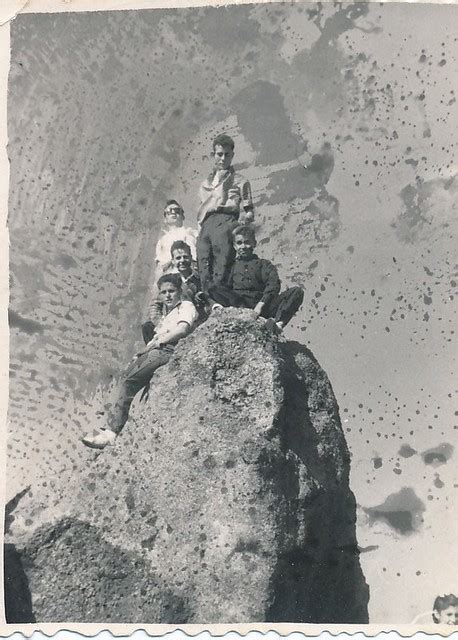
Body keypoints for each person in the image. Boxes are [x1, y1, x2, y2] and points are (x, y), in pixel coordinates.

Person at [82, 273, 198, 450]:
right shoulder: (168, 314)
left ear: (179, 291)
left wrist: (158, 342)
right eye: (164, 292)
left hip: (170, 350)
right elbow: (156, 338)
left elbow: (182, 329)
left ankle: (112, 434)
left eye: (171, 291)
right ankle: (108, 424)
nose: (167, 295)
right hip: (158, 349)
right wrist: (140, 354)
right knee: (124, 375)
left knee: (130, 381)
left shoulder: (186, 306)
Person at [209, 224, 304, 332]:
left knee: (297, 292)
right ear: (235, 246)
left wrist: (260, 306)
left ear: (254, 243)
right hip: (239, 305)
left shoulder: (264, 265)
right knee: (213, 287)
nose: (243, 247)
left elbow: (273, 285)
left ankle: (278, 326)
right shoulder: (231, 267)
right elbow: (222, 288)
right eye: (239, 243)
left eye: (247, 242)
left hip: (262, 307)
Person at [196, 133, 254, 290]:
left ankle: (221, 298)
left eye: (227, 155)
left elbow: (249, 211)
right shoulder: (204, 184)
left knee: (222, 264)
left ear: (232, 156)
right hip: (206, 225)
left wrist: (239, 226)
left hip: (226, 221)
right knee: (203, 263)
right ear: (213, 155)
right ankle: (208, 301)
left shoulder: (240, 181)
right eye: (219, 154)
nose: (223, 159)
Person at [142, 241, 215, 344]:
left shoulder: (199, 279)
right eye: (178, 258)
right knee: (147, 327)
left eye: (185, 257)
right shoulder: (169, 281)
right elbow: (155, 306)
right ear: (172, 260)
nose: (182, 261)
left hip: (191, 320)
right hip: (170, 321)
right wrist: (161, 325)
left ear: (191, 257)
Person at [155, 200, 198, 274]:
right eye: (169, 211)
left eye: (177, 211)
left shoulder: (193, 233)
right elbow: (160, 266)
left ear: (183, 216)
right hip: (171, 275)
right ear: (165, 219)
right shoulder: (162, 241)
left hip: (192, 273)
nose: (174, 212)